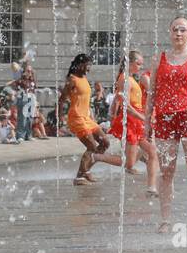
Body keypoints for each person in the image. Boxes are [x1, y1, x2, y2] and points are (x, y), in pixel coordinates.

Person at [144, 19, 187, 234]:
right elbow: (152, 93)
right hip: (164, 118)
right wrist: (147, 121)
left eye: (183, 30)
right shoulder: (158, 59)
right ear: (169, 32)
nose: (178, 33)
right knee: (166, 171)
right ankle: (165, 219)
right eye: (175, 29)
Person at [59, 54, 123, 185]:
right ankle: (79, 177)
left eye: (90, 66)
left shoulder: (84, 78)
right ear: (80, 64)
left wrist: (91, 116)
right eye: (87, 65)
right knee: (92, 146)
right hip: (76, 118)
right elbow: (62, 99)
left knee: (105, 142)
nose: (89, 69)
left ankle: (86, 170)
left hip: (87, 118)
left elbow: (85, 101)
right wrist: (60, 116)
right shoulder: (72, 79)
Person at [110, 51, 159, 198]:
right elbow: (126, 106)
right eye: (138, 63)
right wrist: (143, 117)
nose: (140, 66)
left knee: (152, 152)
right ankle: (96, 157)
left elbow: (119, 100)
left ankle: (151, 188)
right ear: (130, 63)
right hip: (131, 121)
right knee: (129, 164)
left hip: (137, 120)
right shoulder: (124, 79)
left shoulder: (130, 79)